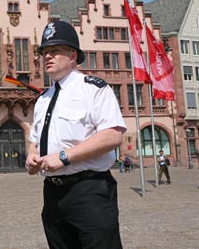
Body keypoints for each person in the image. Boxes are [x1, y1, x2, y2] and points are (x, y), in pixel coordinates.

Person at [26, 21, 126, 249]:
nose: (47, 57)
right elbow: (35, 138)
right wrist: (32, 155)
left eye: (55, 51)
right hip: (52, 193)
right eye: (45, 52)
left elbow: (112, 135)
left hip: (89, 191)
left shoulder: (93, 88)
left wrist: (63, 156)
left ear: (72, 56)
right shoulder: (43, 98)